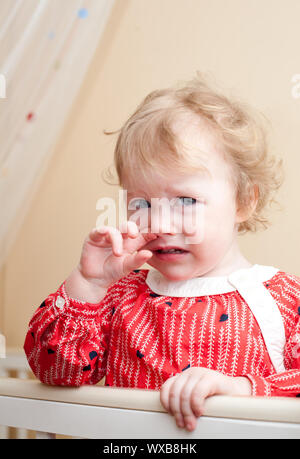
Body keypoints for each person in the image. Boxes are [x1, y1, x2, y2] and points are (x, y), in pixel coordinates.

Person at [24, 73, 300, 432]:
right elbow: (56, 370)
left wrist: (243, 389)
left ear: (243, 202)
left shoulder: (281, 299)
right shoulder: (119, 296)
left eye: (185, 200)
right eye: (141, 202)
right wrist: (88, 285)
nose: (161, 223)